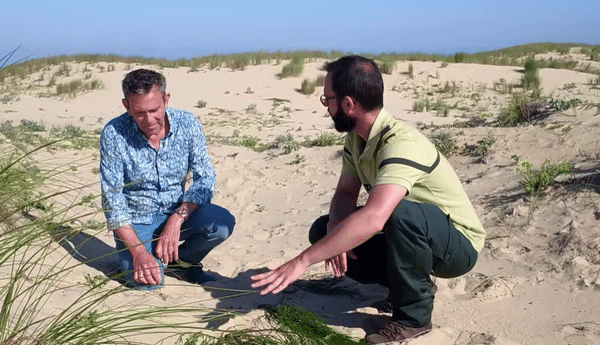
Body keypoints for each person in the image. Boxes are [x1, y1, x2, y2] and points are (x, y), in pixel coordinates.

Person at [251, 55, 485, 343]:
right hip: (412, 236)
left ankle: (414, 319)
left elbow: (376, 217)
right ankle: (409, 288)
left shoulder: (401, 143)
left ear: (348, 104)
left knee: (398, 214)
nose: (327, 107)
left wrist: (302, 261)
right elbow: (346, 193)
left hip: (457, 245)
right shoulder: (356, 139)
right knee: (324, 230)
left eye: (328, 100)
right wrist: (336, 231)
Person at [100, 68, 235, 290]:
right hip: (137, 222)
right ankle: (148, 253)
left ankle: (181, 263)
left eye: (154, 110)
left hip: (178, 211)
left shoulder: (187, 123)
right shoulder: (114, 133)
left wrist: (177, 219)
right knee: (149, 284)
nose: (149, 119)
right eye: (139, 112)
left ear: (166, 99)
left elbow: (205, 179)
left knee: (221, 225)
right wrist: (139, 253)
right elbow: (112, 202)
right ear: (126, 105)